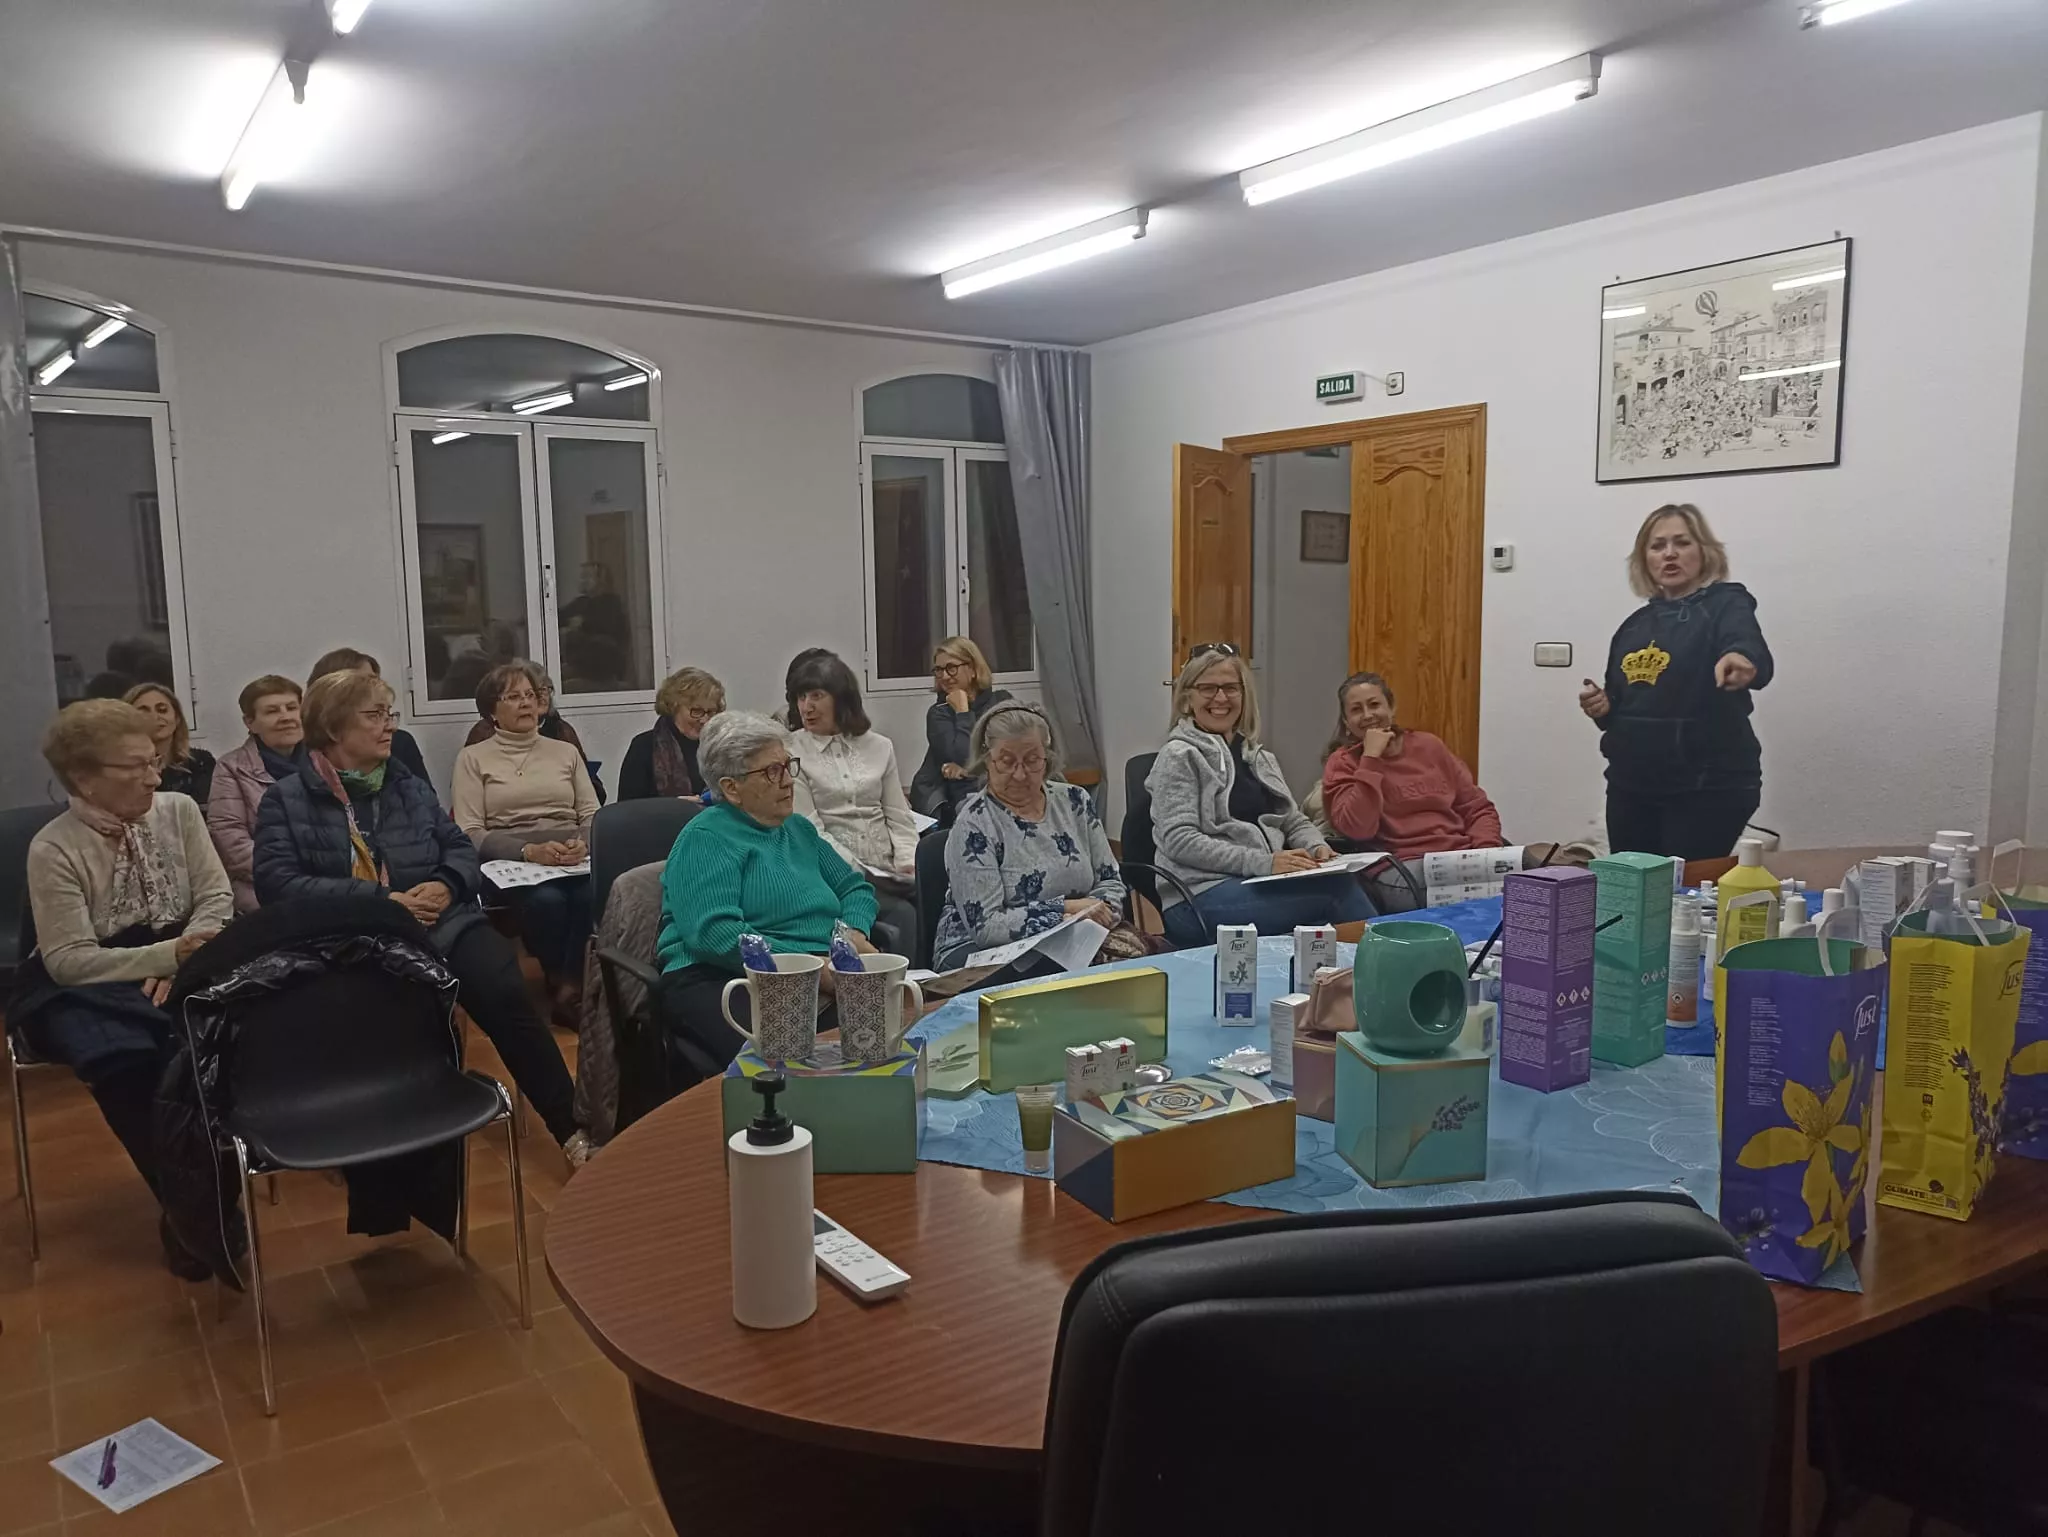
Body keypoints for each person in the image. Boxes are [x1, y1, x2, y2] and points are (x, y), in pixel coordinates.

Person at [253, 669, 589, 1164]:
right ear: (333, 728)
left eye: (389, 714)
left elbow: (457, 847)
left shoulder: (404, 785)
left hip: (443, 921)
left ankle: (572, 1129)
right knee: (391, 1015)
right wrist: (381, 900)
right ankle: (389, 1145)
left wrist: (446, 884)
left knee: (503, 990)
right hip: (353, 937)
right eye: (374, 716)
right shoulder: (286, 799)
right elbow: (278, 885)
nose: (389, 726)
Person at [11, 700, 234, 1277]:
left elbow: (216, 897)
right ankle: (190, 1205)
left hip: (183, 952)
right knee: (130, 1060)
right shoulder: (54, 846)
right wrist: (161, 957)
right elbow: (67, 961)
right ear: (85, 777)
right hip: (85, 980)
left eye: (154, 762)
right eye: (135, 767)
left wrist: (182, 957)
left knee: (218, 1037)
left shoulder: (180, 810)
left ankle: (203, 1199)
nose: (154, 778)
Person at [655, 712, 878, 1069]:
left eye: (788, 766)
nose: (788, 782)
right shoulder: (706, 838)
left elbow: (855, 888)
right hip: (722, 977)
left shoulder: (798, 830)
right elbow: (716, 935)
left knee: (884, 1035)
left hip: (819, 968)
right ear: (731, 788)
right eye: (771, 772)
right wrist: (809, 967)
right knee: (794, 1064)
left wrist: (851, 933)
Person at [1579, 503, 1774, 860]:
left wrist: (1743, 661)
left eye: (1682, 543)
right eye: (1657, 546)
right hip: (1631, 786)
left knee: (1679, 897)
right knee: (1633, 891)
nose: (1669, 554)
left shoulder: (1726, 603)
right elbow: (1618, 711)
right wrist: (1602, 708)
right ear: (1644, 558)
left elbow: (1746, 646)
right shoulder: (1633, 627)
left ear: (1704, 551)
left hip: (1709, 787)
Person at [1146, 644, 1373, 944]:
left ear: (1244, 694)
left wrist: (1318, 847)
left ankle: (1336, 987)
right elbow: (1179, 840)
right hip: (1197, 897)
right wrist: (1263, 862)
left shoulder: (1258, 757)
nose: (1221, 698)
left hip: (1257, 882)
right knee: (1337, 894)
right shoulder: (1178, 756)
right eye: (1207, 688)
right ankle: (1394, 972)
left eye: (1230, 688)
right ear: (1188, 696)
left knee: (1327, 915)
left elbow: (1293, 820)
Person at [452, 662, 599, 1021]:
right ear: (491, 711)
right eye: (513, 697)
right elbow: (470, 831)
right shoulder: (473, 758)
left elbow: (593, 813)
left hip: (570, 854)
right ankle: (564, 981)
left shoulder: (564, 752)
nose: (525, 704)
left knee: (589, 894)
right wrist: (528, 851)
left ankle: (567, 986)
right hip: (512, 860)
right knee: (547, 902)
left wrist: (583, 843)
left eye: (530, 696)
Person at [933, 703, 1126, 970]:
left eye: (1033, 760)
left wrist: (1102, 914)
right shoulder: (974, 824)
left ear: (1048, 758)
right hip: (980, 952)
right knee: (1066, 980)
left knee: (1140, 963)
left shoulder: (1075, 801)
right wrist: (1067, 910)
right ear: (986, 760)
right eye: (1007, 761)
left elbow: (1110, 881)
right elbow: (987, 927)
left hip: (1075, 934)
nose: (1020, 774)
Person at [1319, 671, 1506, 912]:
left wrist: (1485, 855)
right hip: (1404, 865)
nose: (1368, 715)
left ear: (1391, 707)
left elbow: (1477, 808)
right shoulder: (1343, 763)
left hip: (1460, 855)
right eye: (1356, 710)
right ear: (1346, 722)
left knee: (1534, 873)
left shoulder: (1429, 746)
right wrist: (1371, 758)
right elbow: (1357, 828)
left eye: (1374, 705)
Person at [784, 649, 918, 947]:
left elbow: (898, 815)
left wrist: (908, 863)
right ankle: (901, 989)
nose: (807, 707)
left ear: (841, 698)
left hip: (891, 870)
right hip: (835, 872)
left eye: (816, 696)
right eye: (801, 697)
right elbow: (810, 831)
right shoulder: (791, 752)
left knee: (939, 893)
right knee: (904, 915)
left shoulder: (880, 746)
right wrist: (863, 871)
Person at [207, 674, 306, 912]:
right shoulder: (231, 768)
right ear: (250, 723)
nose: (286, 717)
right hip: (262, 888)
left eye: (292, 708)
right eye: (272, 711)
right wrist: (293, 877)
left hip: (328, 882)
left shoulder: (326, 760)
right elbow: (230, 840)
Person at [462, 661, 606, 803]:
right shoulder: (483, 734)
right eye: (535, 691)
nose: (541, 696)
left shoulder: (561, 730)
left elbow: (593, 793)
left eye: (546, 689)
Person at [910, 637, 1013, 824]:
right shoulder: (938, 713)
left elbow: (1011, 751)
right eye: (938, 670)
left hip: (1003, 783)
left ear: (973, 669)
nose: (944, 676)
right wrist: (962, 712)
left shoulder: (1001, 703)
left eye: (951, 667)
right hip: (962, 794)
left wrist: (970, 770)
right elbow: (965, 756)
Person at [308, 647, 432, 786]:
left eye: (374, 680)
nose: (391, 727)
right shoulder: (299, 761)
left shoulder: (401, 751)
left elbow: (428, 803)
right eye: (361, 682)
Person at [619, 666, 725, 800]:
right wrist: (673, 807)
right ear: (674, 707)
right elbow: (627, 810)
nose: (704, 720)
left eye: (710, 712)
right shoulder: (644, 747)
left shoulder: (721, 746)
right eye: (696, 711)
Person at [124, 683, 216, 809]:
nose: (155, 717)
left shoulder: (200, 761)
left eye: (162, 710)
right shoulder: (121, 767)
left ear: (177, 718)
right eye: (143, 711)